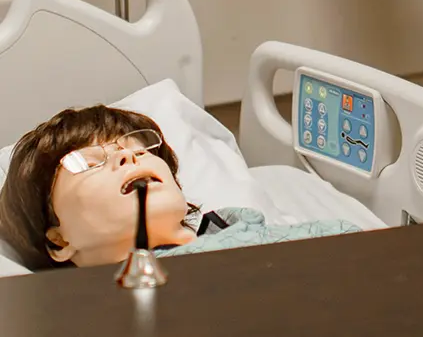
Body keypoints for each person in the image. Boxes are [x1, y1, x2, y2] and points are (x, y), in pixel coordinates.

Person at [0, 105, 360, 270]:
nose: (129, 158)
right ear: (58, 240)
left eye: (138, 149)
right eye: (90, 160)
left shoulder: (315, 238)